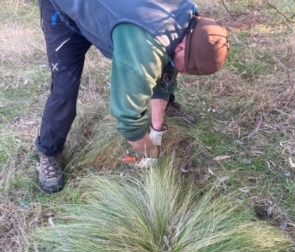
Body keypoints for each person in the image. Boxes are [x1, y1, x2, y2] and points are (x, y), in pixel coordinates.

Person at [36, 0, 229, 193]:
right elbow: (129, 121)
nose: (184, 72)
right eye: (187, 68)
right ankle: (49, 151)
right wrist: (152, 152)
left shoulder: (188, 19)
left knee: (164, 62)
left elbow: (166, 75)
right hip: (64, 10)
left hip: (113, 15)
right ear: (181, 47)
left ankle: (163, 114)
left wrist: (156, 130)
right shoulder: (145, 45)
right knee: (65, 88)